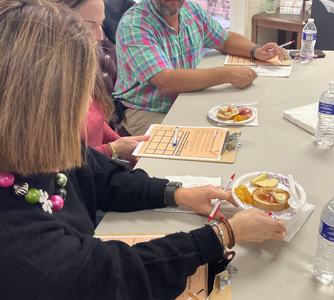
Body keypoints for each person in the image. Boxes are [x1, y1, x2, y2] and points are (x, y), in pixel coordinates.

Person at [0, 1, 286, 299]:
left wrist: (175, 193)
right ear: (36, 107)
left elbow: (103, 177)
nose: (88, 107)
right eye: (82, 96)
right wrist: (224, 234)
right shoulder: (16, 241)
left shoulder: (42, 152)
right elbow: (112, 276)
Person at [114, 0, 286, 135]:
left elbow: (224, 39)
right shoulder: (134, 24)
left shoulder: (192, 11)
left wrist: (255, 50)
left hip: (188, 97)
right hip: (147, 110)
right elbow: (166, 82)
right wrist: (226, 74)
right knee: (204, 146)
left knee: (241, 131)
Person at [60, 0, 147, 162]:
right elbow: (61, 161)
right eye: (91, 25)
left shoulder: (82, 66)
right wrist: (113, 149)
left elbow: (97, 122)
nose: (100, 36)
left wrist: (120, 143)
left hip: (101, 166)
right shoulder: (50, 84)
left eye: (101, 24)